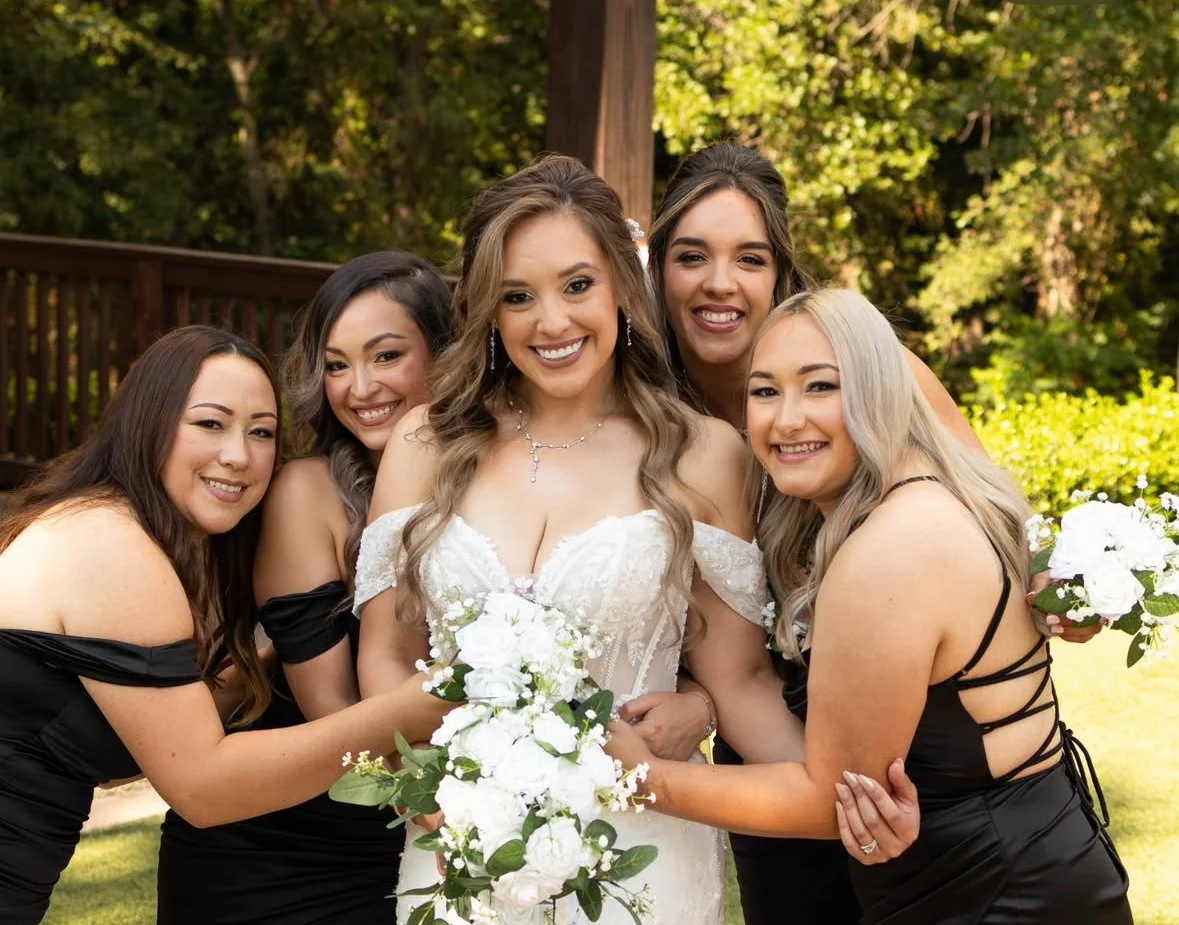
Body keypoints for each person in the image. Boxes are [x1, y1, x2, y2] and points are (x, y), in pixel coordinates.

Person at [352, 156, 914, 925]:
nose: (551, 322)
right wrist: (420, 781)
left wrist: (842, 791)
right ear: (488, 309)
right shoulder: (423, 441)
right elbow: (385, 652)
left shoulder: (704, 452)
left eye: (577, 285)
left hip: (638, 858)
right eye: (518, 297)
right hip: (461, 849)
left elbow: (741, 679)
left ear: (621, 283)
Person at [631, 140, 1089, 925]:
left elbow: (992, 523)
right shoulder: (642, 419)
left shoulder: (878, 377)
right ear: (657, 269)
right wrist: (705, 701)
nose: (718, 282)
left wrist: (1063, 581)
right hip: (770, 759)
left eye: (749, 257)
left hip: (925, 763)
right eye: (690, 255)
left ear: (779, 272)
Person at [0, 326, 452, 925]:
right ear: (148, 423)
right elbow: (204, 788)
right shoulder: (110, 546)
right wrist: (414, 705)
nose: (239, 454)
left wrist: (296, 652)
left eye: (261, 431)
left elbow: (159, 715)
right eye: (210, 423)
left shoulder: (131, 536)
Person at [156, 256, 455, 924]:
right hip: (277, 845)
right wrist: (449, 810)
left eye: (386, 355)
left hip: (404, 838)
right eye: (338, 363)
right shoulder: (306, 492)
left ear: (444, 353)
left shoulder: (499, 483)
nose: (360, 386)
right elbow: (337, 718)